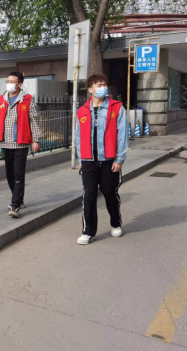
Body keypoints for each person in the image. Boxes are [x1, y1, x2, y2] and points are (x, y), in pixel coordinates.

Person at [75, 73, 129, 245]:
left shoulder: (116, 108)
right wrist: (81, 160)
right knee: (89, 195)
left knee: (109, 192)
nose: (103, 88)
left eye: (104, 85)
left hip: (109, 160)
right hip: (89, 161)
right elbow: (78, 137)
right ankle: (88, 231)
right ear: (90, 89)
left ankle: (115, 223)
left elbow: (122, 135)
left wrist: (119, 159)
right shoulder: (82, 111)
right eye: (99, 85)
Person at [0, 72, 42, 218]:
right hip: (5, 142)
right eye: (7, 81)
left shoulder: (28, 100)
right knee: (10, 174)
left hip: (21, 142)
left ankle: (15, 205)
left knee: (18, 174)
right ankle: (19, 199)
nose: (9, 83)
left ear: (19, 84)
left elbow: (34, 120)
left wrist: (36, 140)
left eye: (12, 81)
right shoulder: (1, 99)